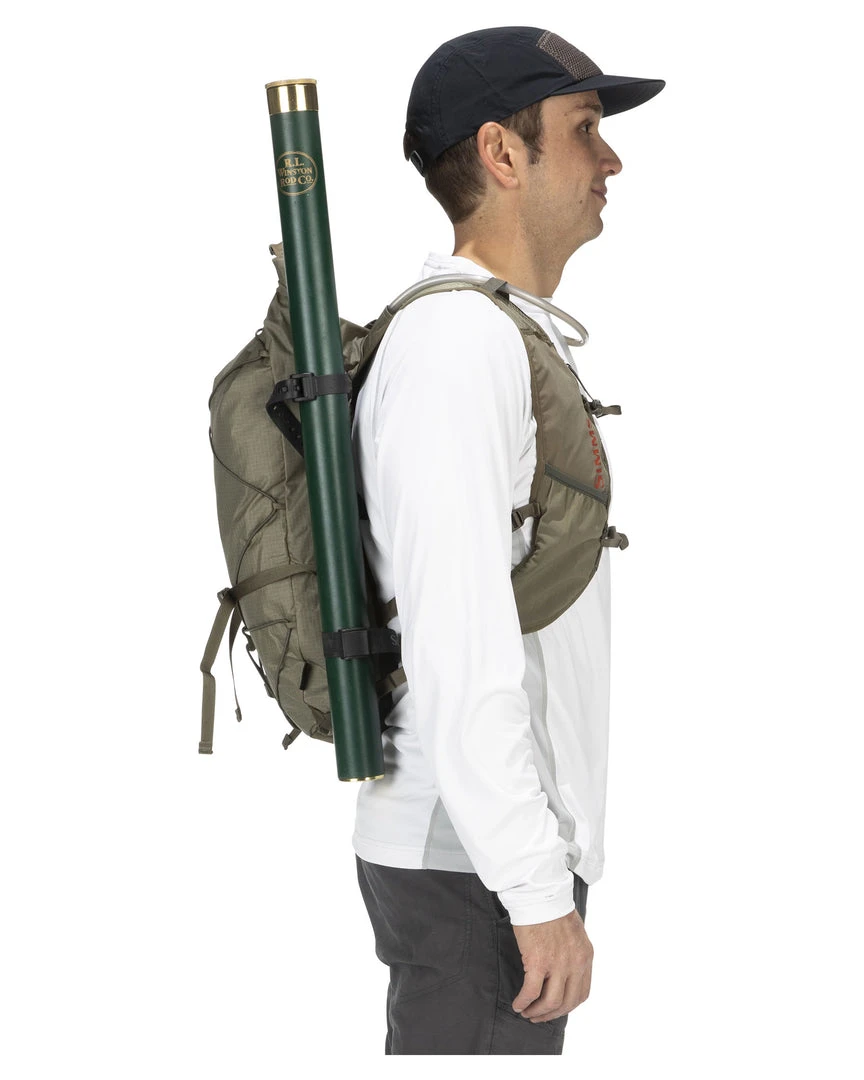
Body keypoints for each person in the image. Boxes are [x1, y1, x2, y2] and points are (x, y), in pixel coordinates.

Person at [350, 26, 665, 1055]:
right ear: (501, 151)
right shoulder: (458, 346)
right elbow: (457, 641)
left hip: (483, 855)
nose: (611, 159)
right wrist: (532, 887)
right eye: (585, 128)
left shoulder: (494, 332)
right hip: (474, 868)